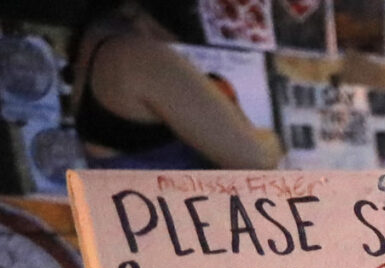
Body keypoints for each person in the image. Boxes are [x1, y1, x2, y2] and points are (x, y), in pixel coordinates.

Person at [70, 0, 282, 168]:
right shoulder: (136, 57)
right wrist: (273, 140)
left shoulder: (97, 43)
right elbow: (256, 157)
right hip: (171, 214)